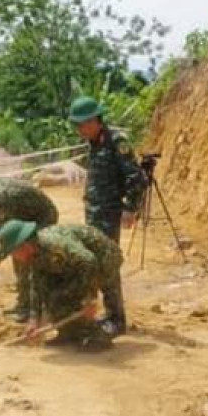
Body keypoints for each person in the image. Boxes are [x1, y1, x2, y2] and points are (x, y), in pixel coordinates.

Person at [68, 96, 147, 335]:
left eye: (82, 125)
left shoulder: (116, 141)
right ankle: (108, 312)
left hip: (109, 214)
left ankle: (116, 319)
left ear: (95, 121)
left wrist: (130, 209)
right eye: (78, 125)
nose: (79, 130)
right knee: (96, 263)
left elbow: (136, 178)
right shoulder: (94, 142)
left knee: (107, 264)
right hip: (94, 213)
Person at [0, 220, 123, 350]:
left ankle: (99, 336)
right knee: (53, 295)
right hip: (73, 266)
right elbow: (36, 284)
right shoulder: (34, 253)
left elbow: (89, 261)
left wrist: (89, 298)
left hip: (102, 257)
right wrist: (34, 319)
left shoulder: (54, 246)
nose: (14, 257)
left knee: (76, 297)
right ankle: (68, 332)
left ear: (24, 246)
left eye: (13, 253)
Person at [0, 173, 58, 322]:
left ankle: (29, 309)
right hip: (26, 216)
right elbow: (3, 216)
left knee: (27, 259)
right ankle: (24, 303)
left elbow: (10, 240)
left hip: (43, 219)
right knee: (19, 260)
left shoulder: (5, 196)